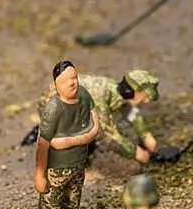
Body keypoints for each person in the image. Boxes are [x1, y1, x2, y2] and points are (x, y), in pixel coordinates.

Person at [31, 60, 99, 209]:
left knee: (72, 201)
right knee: (50, 207)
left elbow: (95, 126)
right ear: (56, 85)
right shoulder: (53, 109)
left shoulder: (84, 95)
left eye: (74, 78)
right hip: (56, 170)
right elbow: (43, 144)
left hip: (78, 163)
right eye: (66, 80)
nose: (72, 83)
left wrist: (70, 141)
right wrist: (39, 175)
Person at [21, 69, 164, 166]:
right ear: (132, 91)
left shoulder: (114, 91)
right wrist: (136, 153)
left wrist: (146, 135)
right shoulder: (100, 98)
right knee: (86, 138)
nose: (146, 101)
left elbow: (130, 112)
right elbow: (108, 135)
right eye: (145, 96)